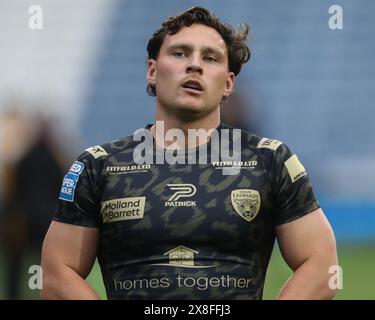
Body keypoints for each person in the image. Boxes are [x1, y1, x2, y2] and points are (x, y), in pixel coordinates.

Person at [41, 6, 338, 300]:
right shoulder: (99, 166)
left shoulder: (270, 161)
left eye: (210, 58)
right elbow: (56, 274)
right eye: (180, 53)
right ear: (152, 71)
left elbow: (321, 266)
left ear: (228, 84)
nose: (194, 65)